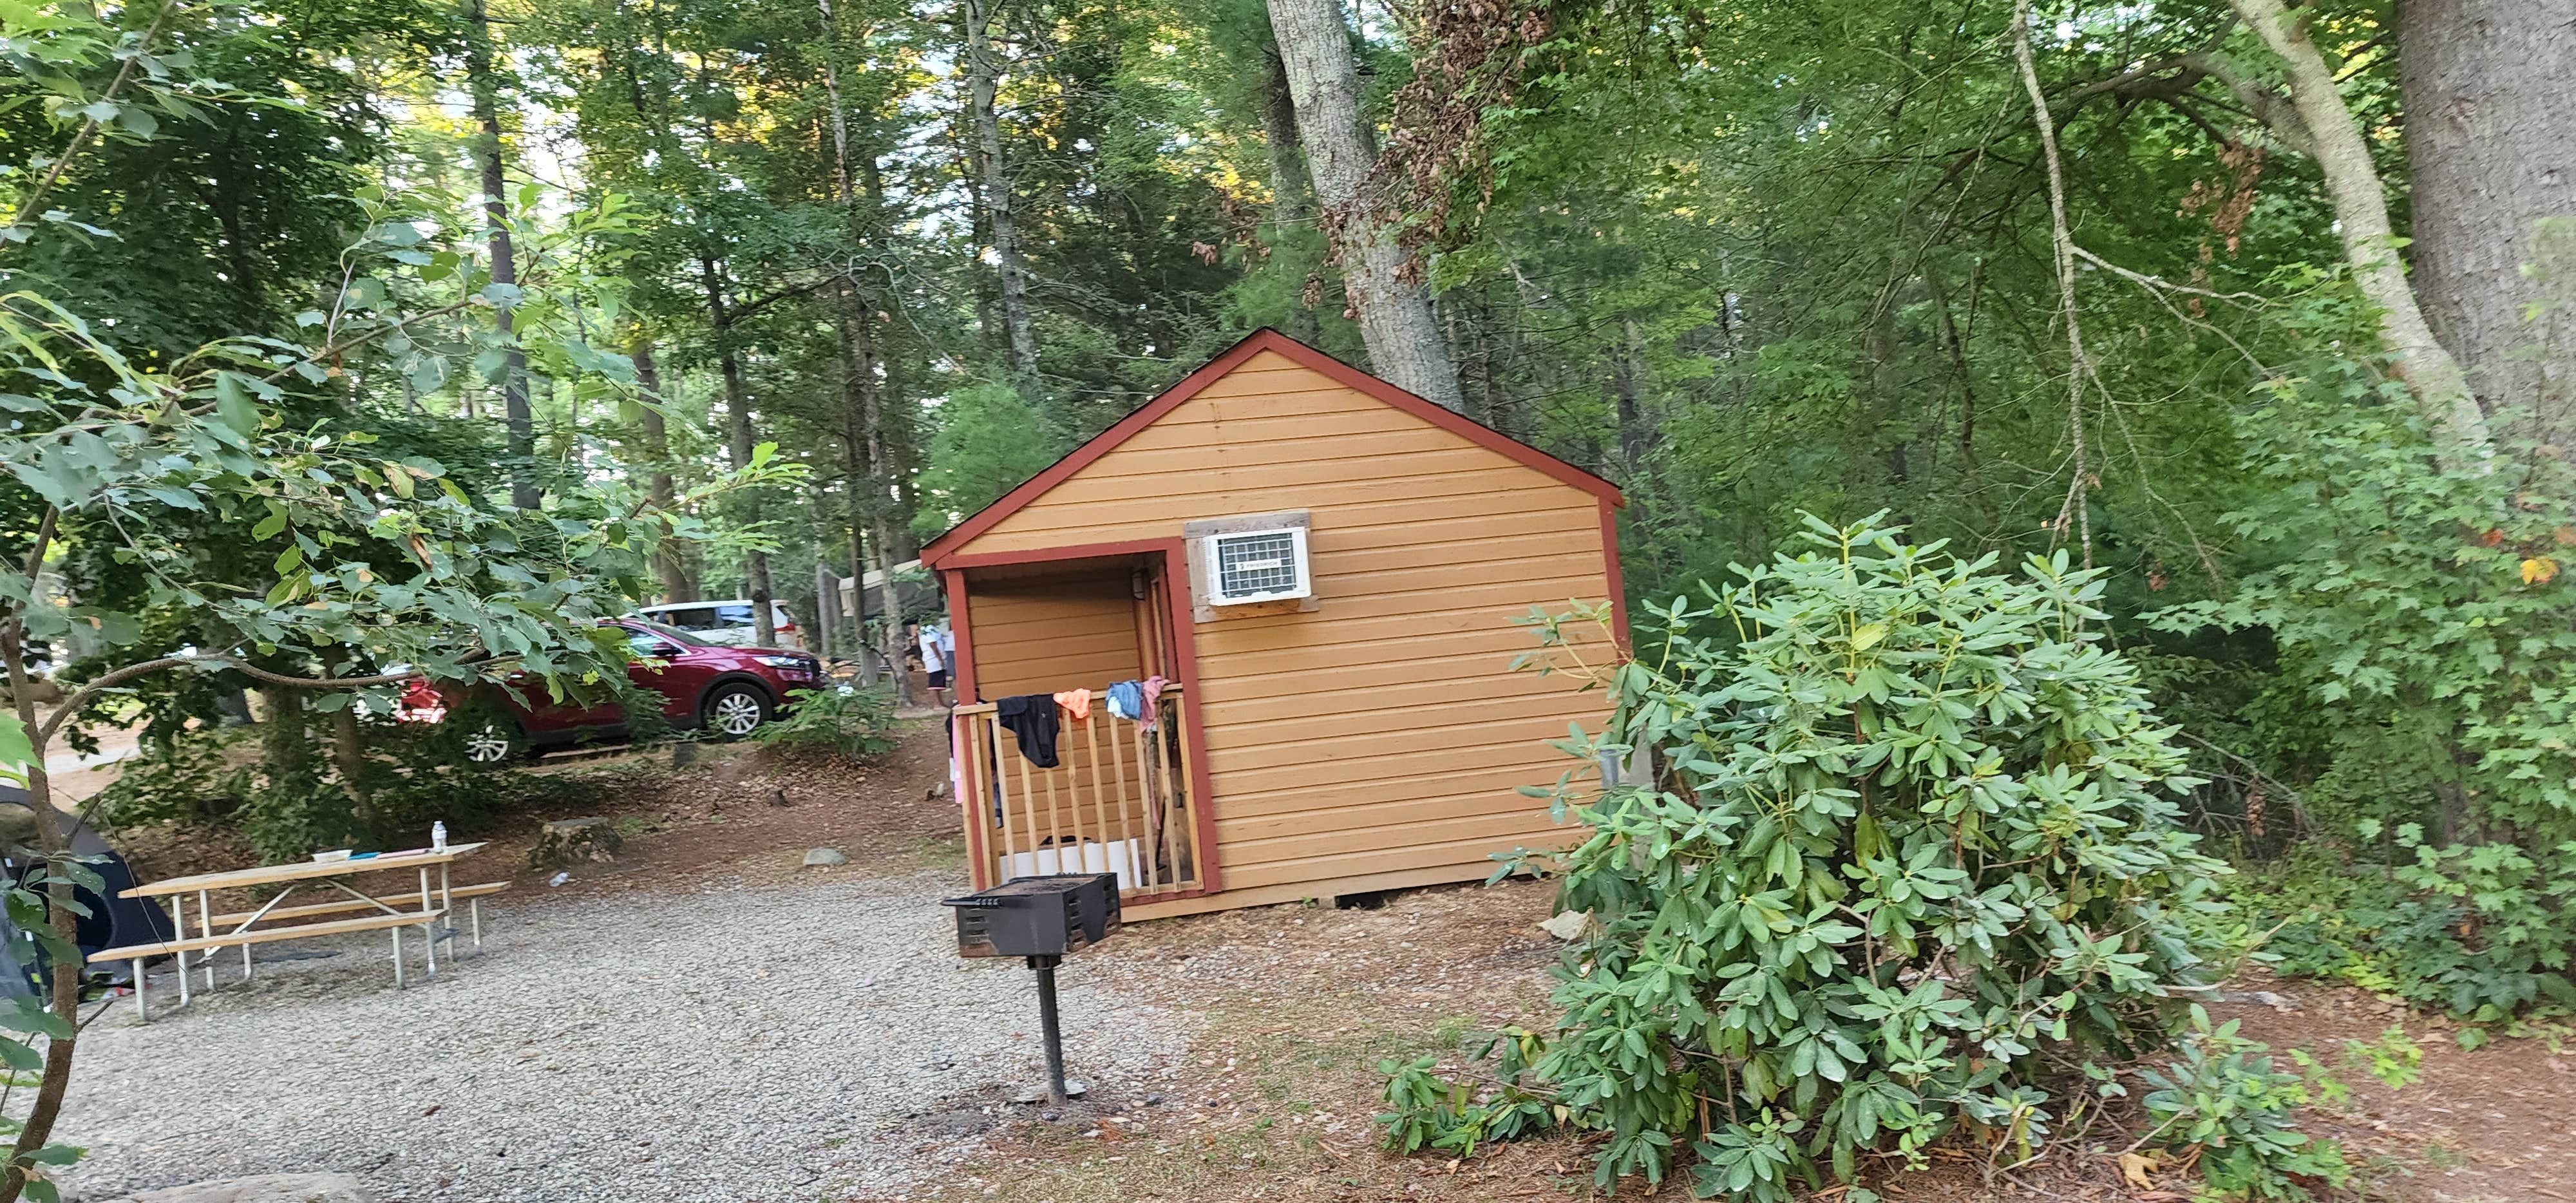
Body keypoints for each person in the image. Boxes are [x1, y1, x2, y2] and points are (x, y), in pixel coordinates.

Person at [916, 621, 949, 707]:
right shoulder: (928, 628)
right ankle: (937, 704)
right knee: (935, 682)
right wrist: (939, 658)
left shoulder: (930, 628)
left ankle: (940, 703)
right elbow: (932, 644)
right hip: (934, 659)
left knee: (939, 682)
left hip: (935, 659)